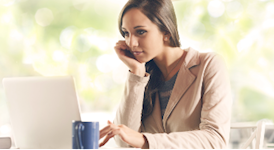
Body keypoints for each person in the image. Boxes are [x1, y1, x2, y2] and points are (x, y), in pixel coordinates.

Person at [99, 0, 232, 149]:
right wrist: (136, 73)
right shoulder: (144, 76)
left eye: (140, 32)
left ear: (166, 33)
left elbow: (215, 139)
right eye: (126, 33)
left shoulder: (208, 65)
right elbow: (125, 142)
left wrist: (145, 140)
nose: (131, 43)